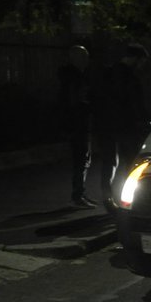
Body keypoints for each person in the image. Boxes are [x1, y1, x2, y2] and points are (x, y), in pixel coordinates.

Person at [91, 43, 150, 197]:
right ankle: (129, 196)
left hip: (106, 125)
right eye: (142, 62)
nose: (142, 66)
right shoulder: (130, 78)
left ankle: (107, 195)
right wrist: (144, 121)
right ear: (136, 59)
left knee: (109, 162)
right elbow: (135, 103)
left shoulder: (107, 74)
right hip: (126, 126)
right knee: (130, 162)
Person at [57, 44, 94, 207]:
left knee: (83, 159)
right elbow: (75, 101)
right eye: (84, 57)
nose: (87, 60)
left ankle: (80, 193)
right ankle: (78, 195)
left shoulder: (73, 76)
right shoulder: (74, 78)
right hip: (78, 124)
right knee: (81, 160)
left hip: (77, 123)